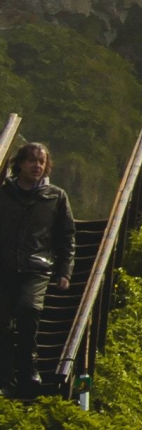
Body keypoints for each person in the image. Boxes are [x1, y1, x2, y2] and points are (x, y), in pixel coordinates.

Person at [2, 142, 68, 401]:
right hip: (4, 267)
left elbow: (66, 235)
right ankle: (5, 380)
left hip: (37, 268)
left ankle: (29, 367)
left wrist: (64, 270)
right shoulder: (4, 192)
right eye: (32, 160)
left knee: (29, 309)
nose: (37, 166)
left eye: (41, 162)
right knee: (2, 324)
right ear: (20, 163)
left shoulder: (55, 196)